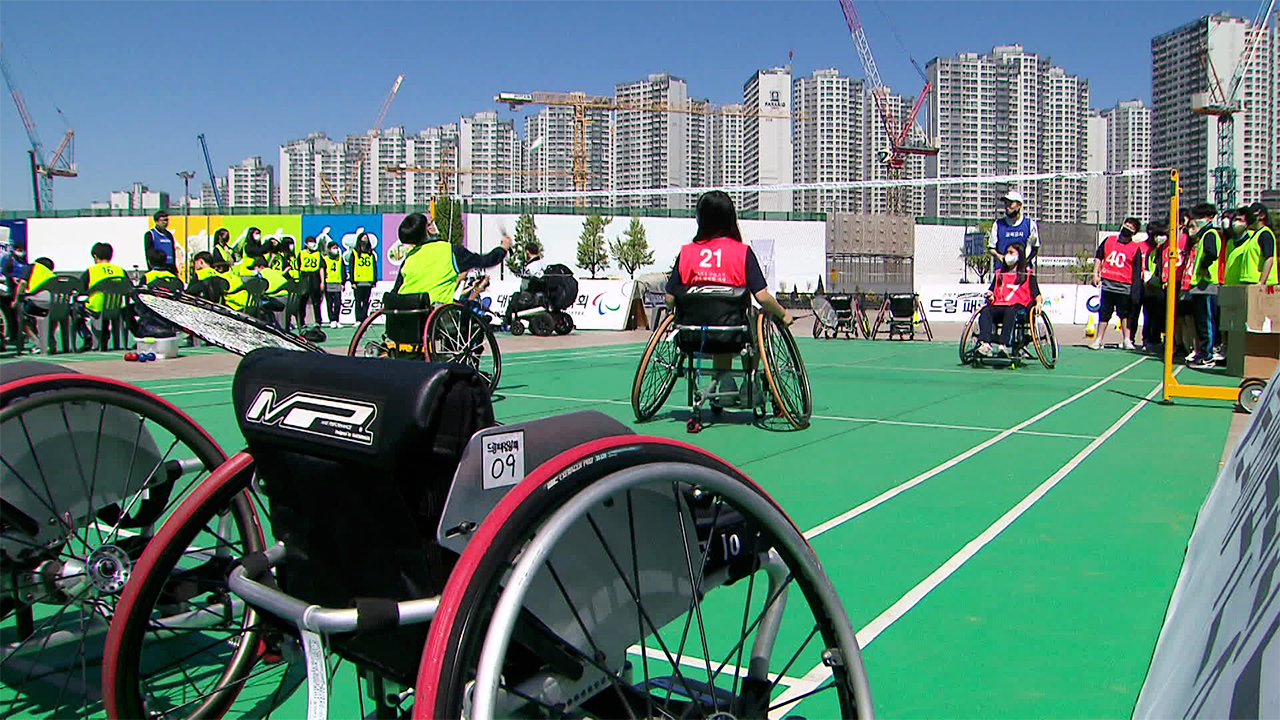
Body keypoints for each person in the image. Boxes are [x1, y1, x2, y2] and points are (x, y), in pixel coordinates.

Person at [664, 191, 792, 401]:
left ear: (700, 218)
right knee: (756, 317)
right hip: (733, 332)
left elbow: (670, 299)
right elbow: (762, 296)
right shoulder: (741, 252)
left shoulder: (686, 253)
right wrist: (783, 314)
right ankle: (748, 382)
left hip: (692, 334)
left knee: (716, 319)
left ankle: (723, 382)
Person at [389, 212, 512, 301]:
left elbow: (396, 290)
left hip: (405, 312)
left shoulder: (409, 259)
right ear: (428, 229)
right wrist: (502, 249)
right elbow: (485, 261)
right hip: (435, 312)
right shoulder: (449, 250)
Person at [974, 243, 1042, 357]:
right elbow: (992, 291)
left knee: (1011, 311)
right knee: (985, 311)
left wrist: (1039, 303)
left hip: (1018, 307)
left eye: (1011, 253)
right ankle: (985, 344)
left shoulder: (1028, 275)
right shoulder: (999, 274)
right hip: (1000, 305)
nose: (1007, 255)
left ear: (1019, 256)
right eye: (1006, 252)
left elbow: (1037, 294)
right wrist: (990, 295)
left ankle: (1003, 345)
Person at [1090, 217, 1143, 350]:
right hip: (1108, 283)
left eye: (1132, 227)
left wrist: (1135, 291)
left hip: (1125, 286)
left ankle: (1126, 339)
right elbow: (1099, 257)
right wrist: (1095, 274)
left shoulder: (1135, 248)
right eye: (1127, 225)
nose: (1128, 228)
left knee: (1124, 314)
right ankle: (1099, 339)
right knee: (1104, 313)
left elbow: (1137, 271)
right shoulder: (1109, 240)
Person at [1185, 203, 1224, 367]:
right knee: (1201, 322)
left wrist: (1203, 267)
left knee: (1207, 322)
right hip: (1199, 285)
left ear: (1209, 218)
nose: (1197, 221)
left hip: (1207, 284)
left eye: (1200, 217)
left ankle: (1208, 355)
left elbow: (1212, 253)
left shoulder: (1210, 234)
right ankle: (1203, 351)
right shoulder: (1203, 236)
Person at [1223, 202, 1277, 286]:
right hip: (1250, 281)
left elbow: (1269, 258)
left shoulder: (1265, 234)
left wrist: (1261, 282)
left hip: (1260, 283)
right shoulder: (1255, 235)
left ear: (1261, 216)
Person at [986, 190, 1041, 265]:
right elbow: (991, 248)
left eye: (1010, 204)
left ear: (1019, 205)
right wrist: (999, 256)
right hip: (1003, 272)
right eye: (1006, 203)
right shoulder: (998, 224)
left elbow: (1035, 248)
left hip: (1022, 273)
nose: (1007, 207)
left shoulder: (1030, 224)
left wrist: (1025, 262)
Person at [1139, 221, 1170, 352]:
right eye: (1156, 234)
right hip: (1151, 288)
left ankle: (1161, 339)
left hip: (1164, 289)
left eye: (1162, 234)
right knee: (1149, 315)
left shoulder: (1168, 250)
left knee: (1161, 316)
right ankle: (1148, 339)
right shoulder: (1152, 252)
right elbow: (1147, 269)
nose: (1159, 237)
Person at [0, 239, 29, 344]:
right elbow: (5, 272)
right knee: (11, 314)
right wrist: (12, 278)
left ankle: (20, 334)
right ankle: (13, 336)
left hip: (22, 288)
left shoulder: (23, 261)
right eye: (19, 250)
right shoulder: (9, 259)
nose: (21, 252)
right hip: (11, 289)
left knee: (20, 314)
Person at [347, 232, 378, 323]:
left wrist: (374, 280)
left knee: (366, 301)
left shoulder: (370, 253)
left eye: (366, 238)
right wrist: (352, 281)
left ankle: (365, 319)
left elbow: (374, 267)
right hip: (358, 281)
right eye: (363, 238)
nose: (365, 240)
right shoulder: (355, 253)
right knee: (358, 301)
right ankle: (358, 319)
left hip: (368, 281)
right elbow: (352, 266)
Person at [298, 236, 324, 326]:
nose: (312, 244)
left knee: (316, 301)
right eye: (310, 242)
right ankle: (301, 321)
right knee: (302, 301)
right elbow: (298, 267)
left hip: (314, 277)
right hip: (304, 277)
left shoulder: (317, 254)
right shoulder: (301, 253)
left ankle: (318, 321)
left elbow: (321, 268)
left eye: (313, 242)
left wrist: (322, 282)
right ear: (306, 243)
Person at [321, 239, 346, 328]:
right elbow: (322, 271)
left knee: (338, 302)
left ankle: (337, 319)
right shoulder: (325, 259)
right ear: (329, 249)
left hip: (337, 283)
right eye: (333, 248)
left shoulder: (340, 259)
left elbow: (343, 271)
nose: (335, 250)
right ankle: (332, 320)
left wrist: (343, 283)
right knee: (330, 303)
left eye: (336, 248)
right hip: (328, 282)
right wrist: (323, 282)